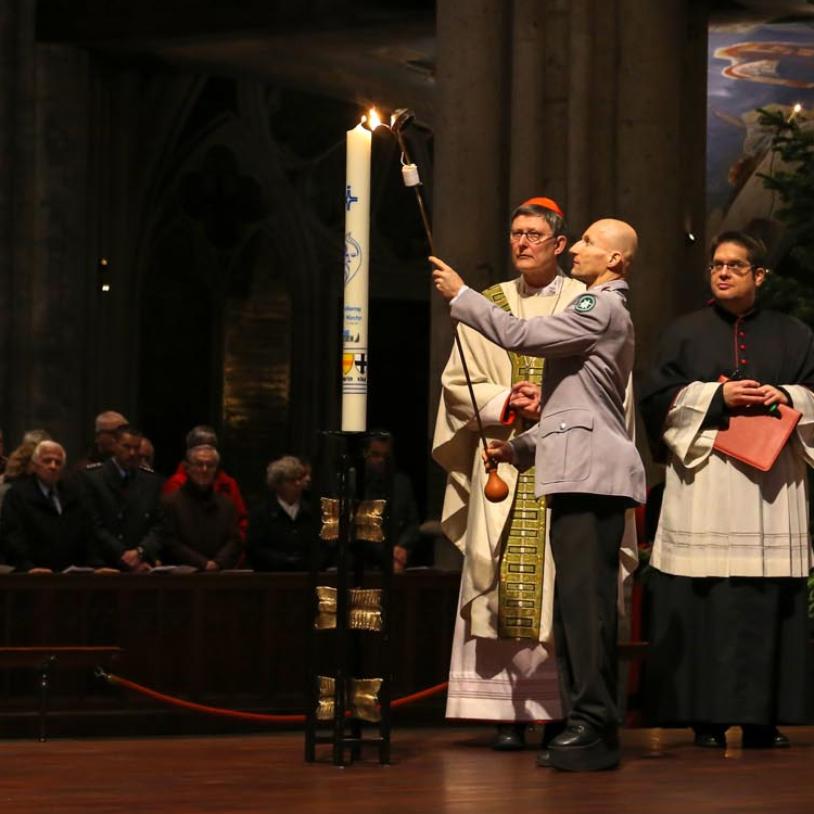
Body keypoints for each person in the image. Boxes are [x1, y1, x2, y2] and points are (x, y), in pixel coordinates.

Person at [430, 217, 645, 772]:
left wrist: (463, 297)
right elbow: (578, 407)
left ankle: (594, 723)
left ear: (616, 261)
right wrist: (519, 450)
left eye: (592, 243)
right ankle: (584, 721)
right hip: (579, 470)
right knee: (577, 603)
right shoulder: (598, 307)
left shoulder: (599, 305)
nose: (580, 248)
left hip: (590, 477)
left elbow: (525, 336)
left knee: (585, 605)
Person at [639, 230, 814, 749]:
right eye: (717, 265)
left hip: (772, 487)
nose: (722, 273)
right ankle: (705, 719)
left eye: (736, 266)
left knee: (765, 600)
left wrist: (781, 393)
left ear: (760, 276)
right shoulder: (682, 333)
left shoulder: (796, 334)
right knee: (706, 600)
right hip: (707, 482)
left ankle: (764, 719)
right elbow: (655, 401)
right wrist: (717, 395)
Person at [432, 197, 584, 752]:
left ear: (559, 244)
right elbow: (458, 384)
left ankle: (559, 710)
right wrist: (505, 402)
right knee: (494, 573)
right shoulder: (487, 304)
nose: (521, 242)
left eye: (533, 234)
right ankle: (506, 714)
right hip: (501, 454)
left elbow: (610, 382)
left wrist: (553, 401)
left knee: (559, 580)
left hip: (565, 458)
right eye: (515, 233)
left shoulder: (584, 303)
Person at [0, 440, 97, 572]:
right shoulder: (17, 495)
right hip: (32, 574)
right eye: (47, 461)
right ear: (34, 465)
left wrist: (94, 565)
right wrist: (27, 567)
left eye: (58, 462)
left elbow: (87, 533)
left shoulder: (74, 494)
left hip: (71, 574)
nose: (53, 466)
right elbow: (13, 536)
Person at [82, 425, 164, 571]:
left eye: (136, 447)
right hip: (105, 564)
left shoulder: (151, 481)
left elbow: (159, 525)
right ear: (114, 445)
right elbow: (94, 526)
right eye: (126, 447)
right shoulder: (93, 478)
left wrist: (141, 551)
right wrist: (123, 554)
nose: (132, 453)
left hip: (142, 564)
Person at [161, 444, 242, 571]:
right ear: (187, 468)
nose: (204, 469)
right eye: (199, 464)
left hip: (218, 575)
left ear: (216, 470)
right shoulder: (170, 502)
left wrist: (217, 563)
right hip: (182, 578)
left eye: (210, 465)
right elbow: (169, 542)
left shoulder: (226, 504)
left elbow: (234, 541)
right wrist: (203, 563)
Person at [162, 425, 248, 540]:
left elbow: (241, 522)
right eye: (200, 448)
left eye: (211, 448)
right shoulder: (176, 484)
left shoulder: (228, 483)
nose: (206, 453)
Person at [246, 456, 322, 571]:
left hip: (307, 576)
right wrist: (283, 561)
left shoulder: (312, 512)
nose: (297, 483)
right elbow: (255, 550)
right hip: (273, 578)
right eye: (291, 480)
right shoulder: (261, 514)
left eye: (299, 478)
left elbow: (322, 547)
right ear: (277, 484)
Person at [363, 432, 421, 572]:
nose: (381, 460)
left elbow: (413, 523)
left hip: (398, 560)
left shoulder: (402, 483)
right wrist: (387, 553)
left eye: (385, 456)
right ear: (365, 454)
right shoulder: (357, 484)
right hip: (364, 563)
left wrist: (402, 547)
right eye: (376, 455)